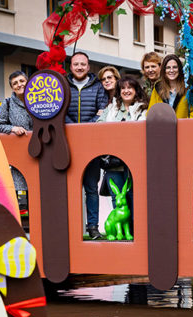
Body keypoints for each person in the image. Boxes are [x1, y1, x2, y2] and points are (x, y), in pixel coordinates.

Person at [65, 51, 109, 239]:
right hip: (69, 145)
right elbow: (59, 111)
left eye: (83, 64)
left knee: (91, 188)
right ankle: (72, 227)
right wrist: (75, 129)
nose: (79, 67)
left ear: (88, 67)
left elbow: (102, 112)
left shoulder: (98, 87)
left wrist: (85, 128)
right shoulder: (63, 85)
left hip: (92, 145)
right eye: (76, 64)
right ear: (71, 66)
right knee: (70, 189)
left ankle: (93, 227)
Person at [97, 76, 148, 233]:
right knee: (117, 196)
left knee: (133, 195)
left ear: (136, 90)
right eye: (123, 88)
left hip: (134, 160)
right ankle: (121, 234)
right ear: (119, 92)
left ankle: (135, 230)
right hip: (113, 160)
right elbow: (99, 126)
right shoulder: (111, 109)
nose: (126, 91)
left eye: (129, 88)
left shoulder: (143, 109)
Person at [148, 54, 193, 118]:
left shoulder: (188, 87)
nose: (171, 70)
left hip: (183, 124)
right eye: (168, 67)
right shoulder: (158, 88)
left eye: (175, 67)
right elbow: (151, 113)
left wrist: (185, 123)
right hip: (162, 124)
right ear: (164, 70)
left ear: (179, 69)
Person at [0, 71, 32, 136]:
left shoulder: (39, 100)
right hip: (20, 142)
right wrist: (13, 128)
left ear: (28, 83)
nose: (19, 85)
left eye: (22, 81)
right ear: (12, 88)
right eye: (15, 83)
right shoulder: (7, 103)